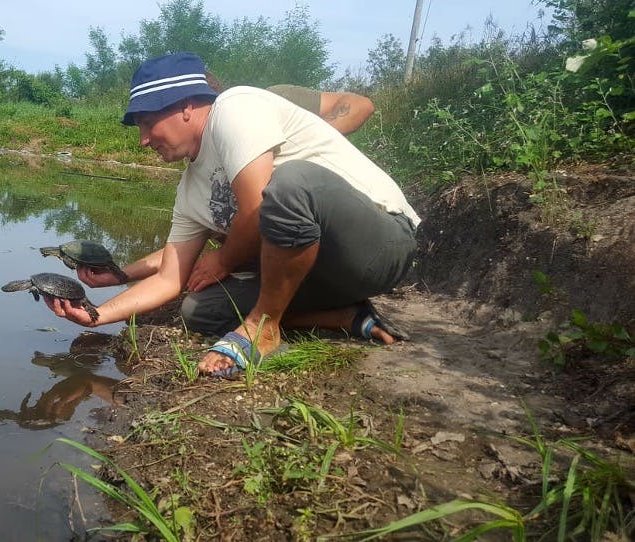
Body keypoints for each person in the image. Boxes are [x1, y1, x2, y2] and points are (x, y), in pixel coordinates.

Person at [43, 52, 420, 378]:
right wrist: (95, 315)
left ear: (185, 106)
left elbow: (257, 205)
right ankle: (342, 316)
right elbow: (171, 277)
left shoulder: (235, 107)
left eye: (146, 122)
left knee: (287, 184)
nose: (143, 139)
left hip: (378, 247)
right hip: (317, 276)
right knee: (197, 311)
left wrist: (223, 258)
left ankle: (262, 328)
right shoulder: (190, 189)